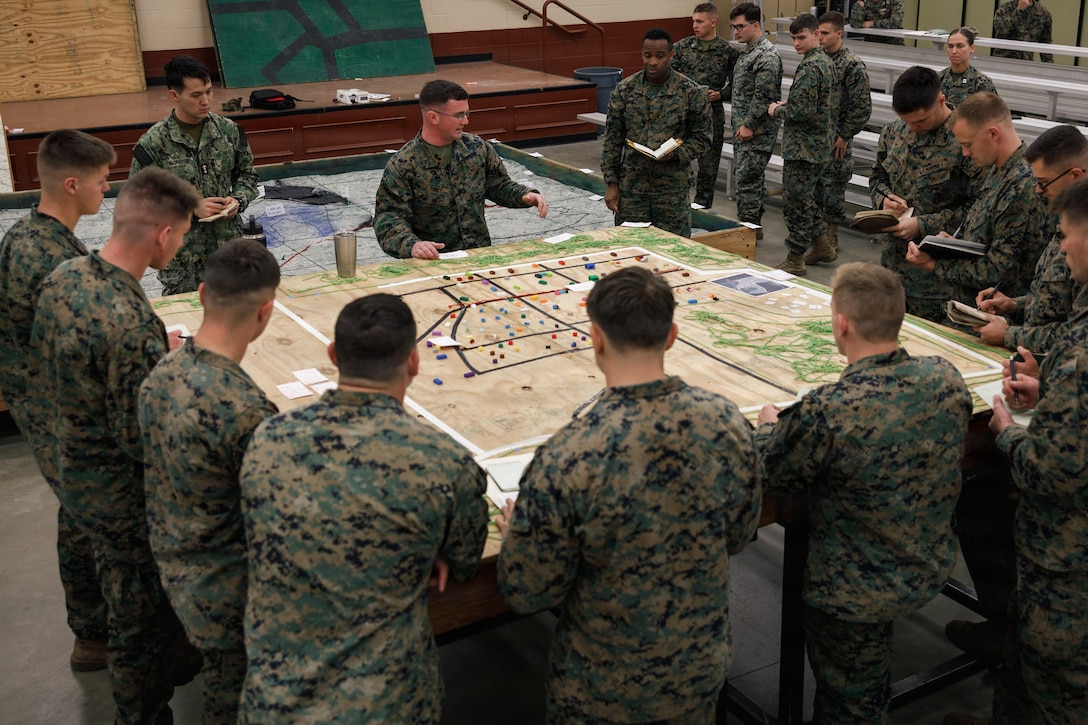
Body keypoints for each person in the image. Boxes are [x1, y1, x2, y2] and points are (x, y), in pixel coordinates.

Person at [495, 266, 762, 724]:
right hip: (696, 675)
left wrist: (519, 536)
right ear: (672, 336)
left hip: (601, 692)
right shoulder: (727, 423)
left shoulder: (569, 455)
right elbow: (739, 534)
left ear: (596, 339)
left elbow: (528, 591)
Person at [239, 293, 489, 723]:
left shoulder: (267, 439)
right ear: (414, 362)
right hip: (389, 705)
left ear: (333, 355)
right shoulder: (444, 463)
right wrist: (422, 547)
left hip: (276, 701)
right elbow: (466, 560)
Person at [756, 262, 972, 724]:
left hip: (853, 595)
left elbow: (771, 471)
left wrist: (770, 427)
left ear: (841, 324)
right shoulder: (945, 377)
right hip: (929, 562)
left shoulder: (829, 410)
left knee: (850, 707)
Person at [26, 166, 203, 724]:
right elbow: (141, 437)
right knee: (140, 624)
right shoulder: (128, 323)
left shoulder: (68, 275)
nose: (180, 246)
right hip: (121, 497)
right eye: (182, 235)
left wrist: (151, 349)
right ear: (163, 234)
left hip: (71, 467)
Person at [945, 179, 1088, 725]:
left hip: (1067, 558)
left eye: (1067, 234)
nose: (1062, 245)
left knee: (1054, 681)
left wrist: (1007, 430)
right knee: (1025, 666)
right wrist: (1050, 392)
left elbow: (1050, 472)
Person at [139, 238, 280, 724]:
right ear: (265, 312)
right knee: (233, 697)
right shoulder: (246, 410)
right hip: (227, 594)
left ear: (201, 294)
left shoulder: (161, 371)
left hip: (172, 563)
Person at [0, 129, 114, 673]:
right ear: (72, 184)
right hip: (52, 402)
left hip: (49, 392)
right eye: (101, 180)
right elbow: (77, 341)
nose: (106, 188)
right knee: (85, 509)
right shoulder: (42, 253)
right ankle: (92, 634)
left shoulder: (40, 235)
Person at [130, 54, 259, 296]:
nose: (205, 101)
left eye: (209, 92)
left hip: (229, 252)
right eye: (196, 95)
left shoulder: (229, 132)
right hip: (183, 262)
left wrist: (237, 200)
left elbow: (247, 176)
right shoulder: (153, 144)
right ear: (174, 95)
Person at [375, 80, 548, 259]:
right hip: (433, 262)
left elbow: (498, 185)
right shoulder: (403, 164)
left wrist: (525, 195)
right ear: (433, 117)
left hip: (478, 257)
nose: (466, 121)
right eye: (458, 115)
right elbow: (388, 218)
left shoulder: (477, 148)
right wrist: (412, 245)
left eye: (467, 113)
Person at [906, 92, 1047, 310]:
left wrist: (934, 264)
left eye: (968, 144)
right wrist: (954, 243)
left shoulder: (1022, 185)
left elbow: (997, 270)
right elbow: (986, 235)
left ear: (993, 134)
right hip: (977, 307)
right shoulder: (1000, 170)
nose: (965, 153)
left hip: (995, 313)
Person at [869, 66, 977, 322]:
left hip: (939, 282)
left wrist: (923, 224)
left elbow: (979, 208)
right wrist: (884, 199)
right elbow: (878, 177)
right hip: (893, 271)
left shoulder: (965, 140)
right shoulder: (894, 132)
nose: (914, 128)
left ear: (940, 100)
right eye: (907, 122)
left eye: (920, 121)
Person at [974, 124, 1088, 352]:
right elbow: (1060, 298)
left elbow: (1079, 335)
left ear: (1075, 176)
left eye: (1043, 183)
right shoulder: (1066, 216)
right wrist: (1014, 304)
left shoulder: (1083, 234)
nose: (1037, 190)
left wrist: (1009, 335)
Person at [601, 28, 712, 238]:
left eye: (660, 56)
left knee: (674, 247)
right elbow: (612, 140)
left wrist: (677, 154)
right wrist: (611, 183)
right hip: (633, 188)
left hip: (672, 189)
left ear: (671, 54)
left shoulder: (691, 92)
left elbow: (703, 138)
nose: (653, 62)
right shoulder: (625, 90)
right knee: (631, 245)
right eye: (647, 55)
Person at [768, 13, 835, 276]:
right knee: (807, 200)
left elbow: (801, 111)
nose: (796, 43)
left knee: (796, 202)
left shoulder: (810, 67)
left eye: (801, 37)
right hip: (817, 145)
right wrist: (793, 103)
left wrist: (776, 110)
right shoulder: (824, 61)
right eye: (794, 38)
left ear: (816, 35)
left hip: (803, 149)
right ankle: (821, 245)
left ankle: (795, 258)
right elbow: (816, 103)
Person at [811, 11, 872, 263]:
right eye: (818, 33)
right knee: (815, 188)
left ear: (839, 33)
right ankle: (817, 238)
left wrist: (845, 136)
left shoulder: (851, 65)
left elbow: (862, 107)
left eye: (825, 33)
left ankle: (831, 235)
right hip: (816, 136)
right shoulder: (816, 59)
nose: (820, 37)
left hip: (837, 138)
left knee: (833, 189)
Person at [672, 3, 740, 208]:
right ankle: (676, 206)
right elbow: (668, 77)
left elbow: (739, 84)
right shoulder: (682, 47)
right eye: (693, 21)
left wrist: (721, 94)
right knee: (677, 162)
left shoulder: (727, 51)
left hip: (711, 116)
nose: (695, 25)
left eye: (699, 21)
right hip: (683, 115)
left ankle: (702, 209)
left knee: (708, 169)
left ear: (713, 22)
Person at [729, 3, 783, 234]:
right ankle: (753, 227)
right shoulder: (749, 52)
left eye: (740, 26)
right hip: (744, 128)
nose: (736, 31)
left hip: (756, 130)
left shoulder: (766, 55)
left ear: (755, 25)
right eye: (733, 27)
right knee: (750, 179)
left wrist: (749, 124)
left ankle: (747, 232)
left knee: (747, 181)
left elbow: (763, 96)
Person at [939, 27, 998, 109]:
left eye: (960, 46)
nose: (954, 51)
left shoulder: (981, 83)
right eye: (950, 46)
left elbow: (994, 113)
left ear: (972, 48)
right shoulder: (938, 79)